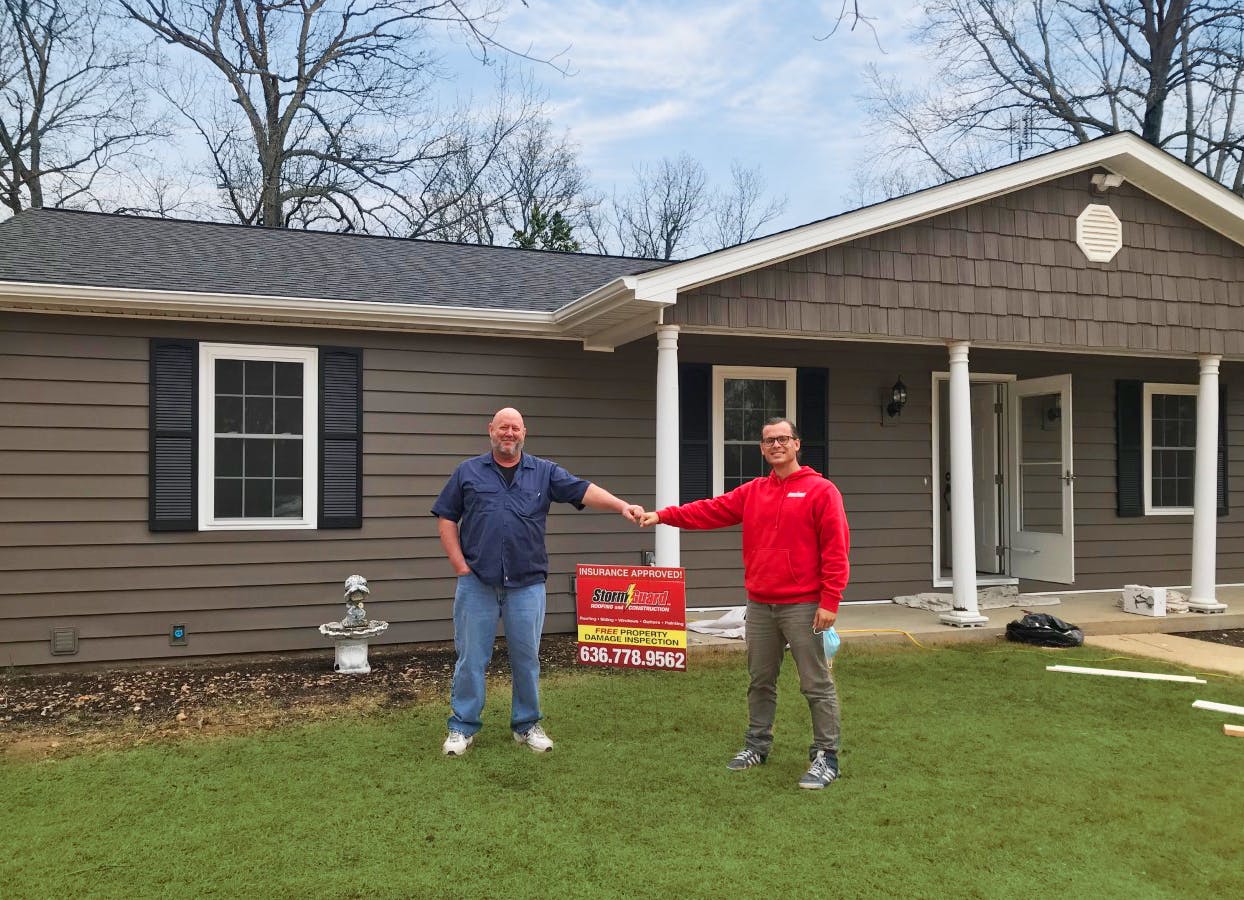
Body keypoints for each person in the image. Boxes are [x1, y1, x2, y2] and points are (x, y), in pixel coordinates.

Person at [640, 417, 849, 789]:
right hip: (760, 605)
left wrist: (830, 599)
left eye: (783, 439)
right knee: (760, 681)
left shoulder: (822, 491)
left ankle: (825, 756)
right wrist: (664, 516)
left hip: (804, 605)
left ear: (797, 444)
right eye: (769, 441)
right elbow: (709, 510)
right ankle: (757, 745)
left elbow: (836, 550)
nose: (776, 445)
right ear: (762, 449)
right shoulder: (753, 491)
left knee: (815, 683)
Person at [433, 407, 645, 756]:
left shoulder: (543, 472)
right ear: (491, 430)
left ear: (524, 433)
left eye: (515, 428)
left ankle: (527, 725)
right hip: (477, 583)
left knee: (526, 657)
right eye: (503, 427)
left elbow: (583, 490)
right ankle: (462, 727)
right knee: (471, 657)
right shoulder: (467, 472)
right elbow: (445, 517)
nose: (509, 433)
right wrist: (459, 565)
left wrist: (622, 506)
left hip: (527, 584)